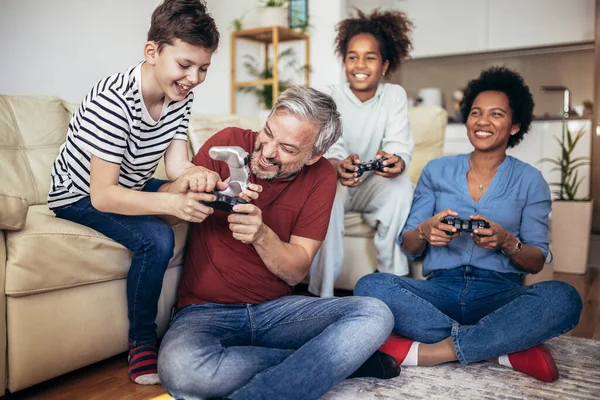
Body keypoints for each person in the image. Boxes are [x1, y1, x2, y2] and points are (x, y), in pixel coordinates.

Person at [157, 87, 400, 400]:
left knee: (376, 313)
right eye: (268, 132)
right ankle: (338, 364)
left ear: (313, 155)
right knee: (180, 369)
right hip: (204, 311)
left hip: (278, 313)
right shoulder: (228, 141)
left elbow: (295, 272)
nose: (267, 152)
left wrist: (261, 235)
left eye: (287, 148)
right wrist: (183, 188)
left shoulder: (322, 176)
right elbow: (161, 218)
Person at [355, 66, 583, 382]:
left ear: (515, 125)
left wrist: (507, 242)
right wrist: (424, 231)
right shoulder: (437, 171)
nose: (482, 121)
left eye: (496, 114)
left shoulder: (531, 181)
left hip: (499, 296)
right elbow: (408, 245)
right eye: (476, 112)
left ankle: (432, 352)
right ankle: (502, 348)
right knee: (370, 285)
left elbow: (535, 261)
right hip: (438, 292)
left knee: (564, 298)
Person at [48, 0, 231, 385]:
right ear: (152, 51)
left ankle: (202, 310)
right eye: (185, 65)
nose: (195, 78)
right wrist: (171, 201)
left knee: (204, 199)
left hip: (128, 184)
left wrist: (197, 175)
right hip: (79, 194)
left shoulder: (180, 96)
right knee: (158, 238)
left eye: (203, 68)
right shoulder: (113, 100)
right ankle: (142, 340)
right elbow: (104, 195)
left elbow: (177, 166)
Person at [309, 9, 415, 297]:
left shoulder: (394, 95)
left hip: (372, 184)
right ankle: (323, 293)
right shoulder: (329, 96)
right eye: (353, 56)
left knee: (401, 188)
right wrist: (338, 164)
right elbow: (329, 144)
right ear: (344, 62)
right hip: (338, 182)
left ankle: (393, 280)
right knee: (326, 190)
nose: (360, 64)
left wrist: (395, 160)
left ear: (384, 65)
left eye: (370, 57)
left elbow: (399, 142)